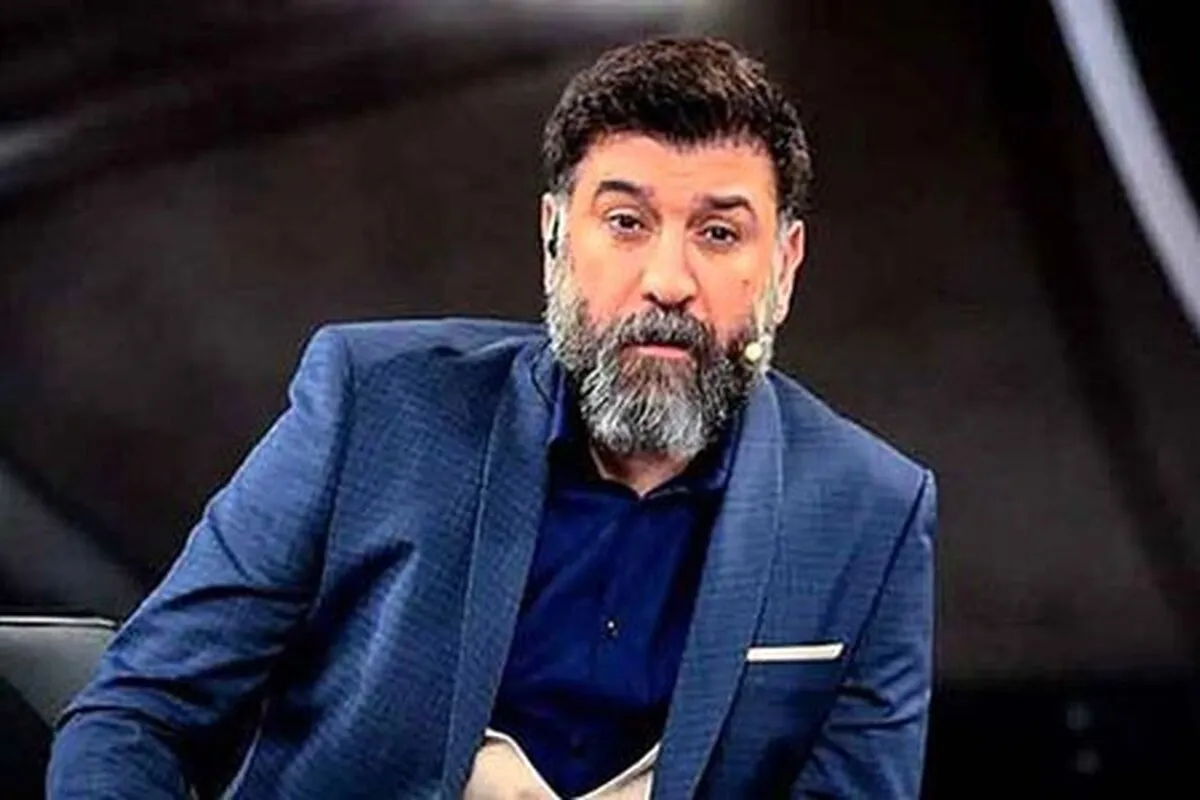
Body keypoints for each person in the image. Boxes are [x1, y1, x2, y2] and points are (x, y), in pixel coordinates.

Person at [47, 36, 936, 799]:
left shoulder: (873, 514)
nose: (668, 282)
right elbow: (140, 715)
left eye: (718, 233)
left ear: (784, 263)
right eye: (626, 222)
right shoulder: (372, 406)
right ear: (554, 237)